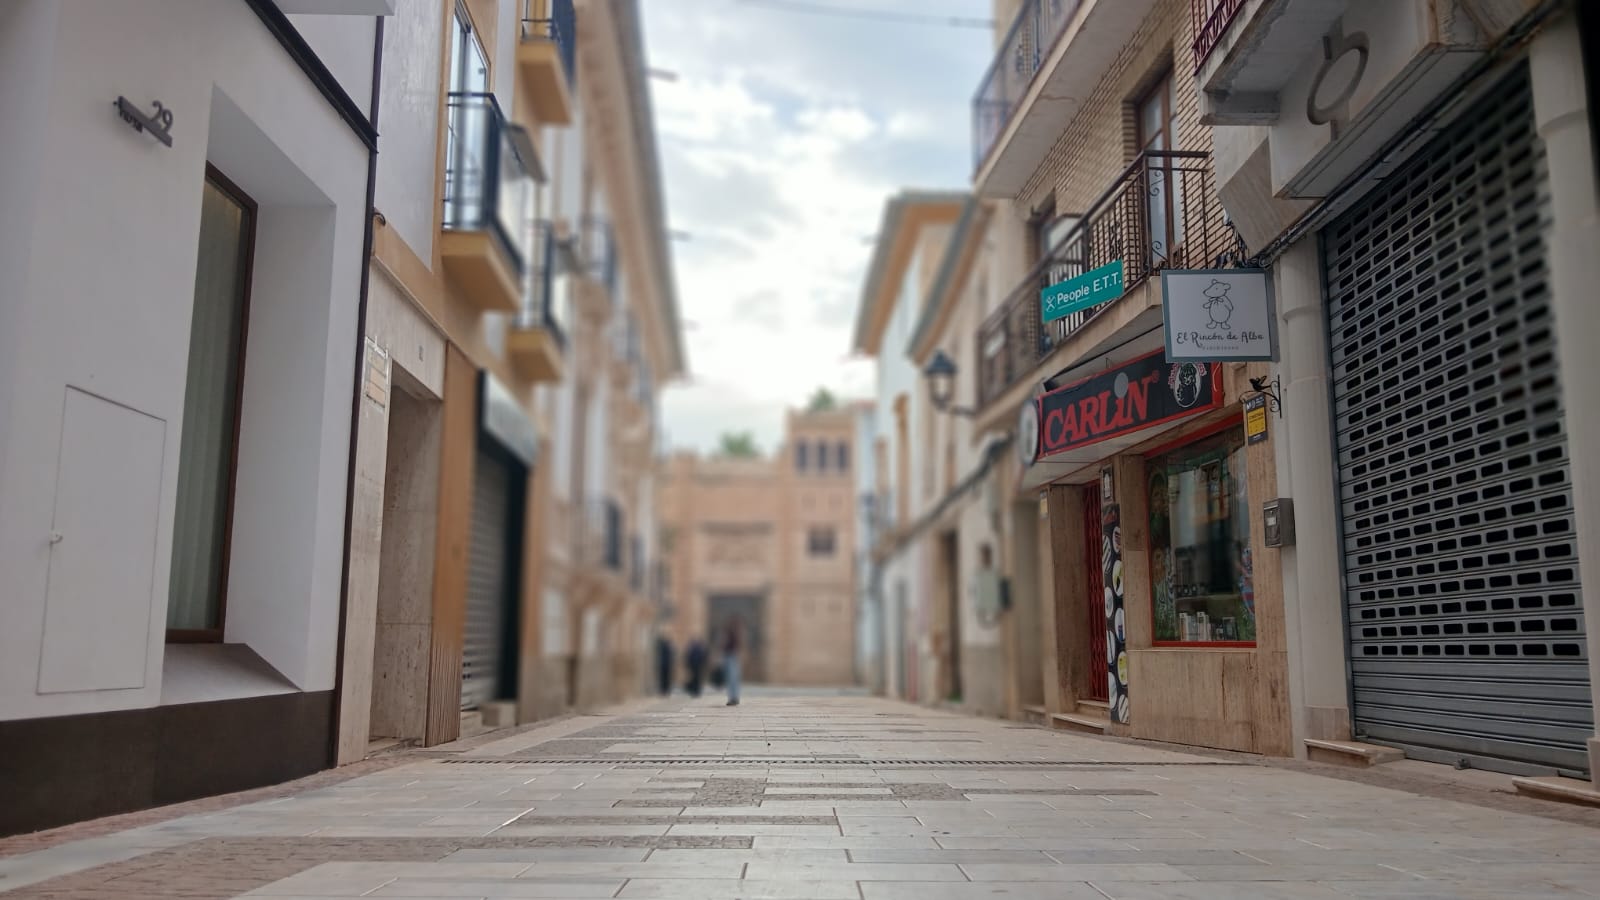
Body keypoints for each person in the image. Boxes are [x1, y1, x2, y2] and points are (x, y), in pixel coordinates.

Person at [722, 617, 744, 706]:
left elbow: (739, 645)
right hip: (730, 656)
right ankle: (733, 697)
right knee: (732, 678)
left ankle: (733, 698)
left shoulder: (735, 633)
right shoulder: (733, 633)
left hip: (731, 656)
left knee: (732, 678)